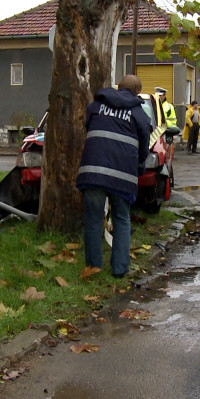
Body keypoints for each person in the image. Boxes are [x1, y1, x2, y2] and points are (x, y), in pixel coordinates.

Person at [77, 75, 150, 278]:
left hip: (93, 173)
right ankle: (119, 269)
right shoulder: (138, 113)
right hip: (123, 176)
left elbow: (88, 126)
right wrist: (139, 166)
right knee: (121, 219)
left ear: (118, 87)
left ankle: (93, 267)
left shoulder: (96, 106)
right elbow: (144, 148)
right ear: (137, 93)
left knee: (92, 220)